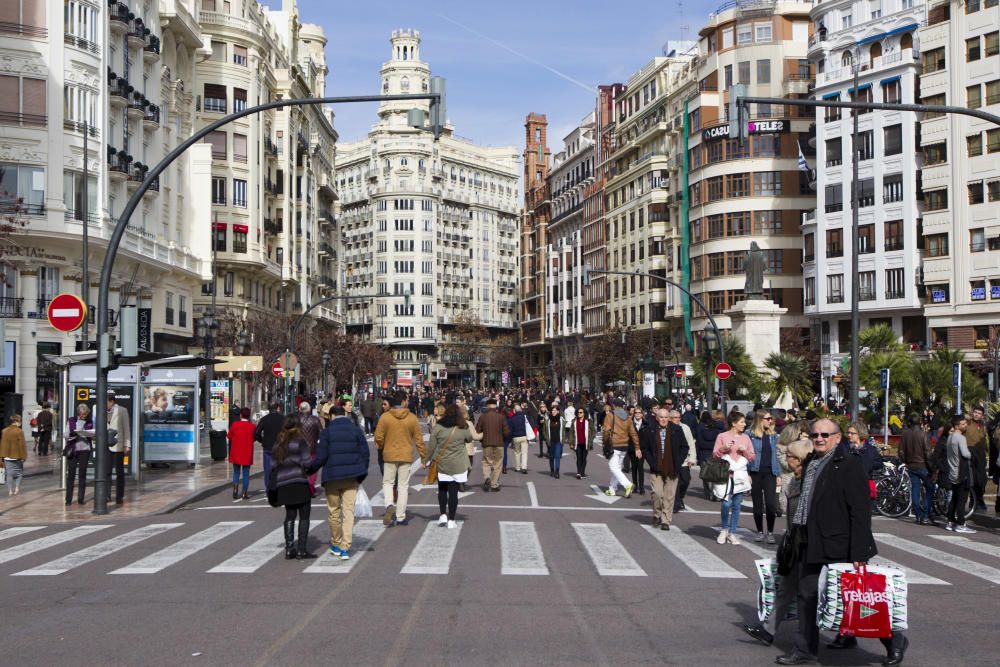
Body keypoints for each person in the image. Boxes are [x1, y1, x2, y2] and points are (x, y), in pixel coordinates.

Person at [775, 418, 906, 666]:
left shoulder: (849, 465)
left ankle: (893, 639)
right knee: (807, 595)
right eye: (815, 435)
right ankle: (805, 650)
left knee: (854, 598)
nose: (819, 438)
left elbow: (860, 510)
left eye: (825, 434)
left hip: (838, 542)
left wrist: (859, 550)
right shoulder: (812, 461)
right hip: (809, 539)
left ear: (837, 437)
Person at [743, 438, 813, 647]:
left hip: (809, 545)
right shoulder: (795, 478)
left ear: (799, 460)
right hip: (794, 543)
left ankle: (887, 637)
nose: (785, 459)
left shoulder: (809, 481)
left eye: (789, 456)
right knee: (786, 589)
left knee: (815, 594)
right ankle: (768, 630)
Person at [311, 405, 370, 559]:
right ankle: (346, 546)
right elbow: (365, 453)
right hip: (351, 477)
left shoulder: (327, 432)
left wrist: (309, 470)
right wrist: (361, 474)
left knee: (334, 511)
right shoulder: (356, 430)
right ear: (344, 414)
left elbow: (321, 457)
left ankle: (336, 542)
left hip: (332, 476)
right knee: (348, 512)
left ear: (331, 416)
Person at [374, 391, 425, 526]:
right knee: (403, 485)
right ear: (403, 401)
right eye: (406, 399)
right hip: (406, 455)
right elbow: (419, 439)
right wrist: (423, 457)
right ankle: (401, 516)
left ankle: (389, 504)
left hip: (389, 454)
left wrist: (380, 445)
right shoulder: (412, 418)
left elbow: (378, 436)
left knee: (388, 482)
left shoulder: (385, 417)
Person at [271, 415, 316, 559]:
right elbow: (307, 462)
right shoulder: (300, 441)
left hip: (284, 482)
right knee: (304, 515)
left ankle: (289, 548)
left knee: (290, 514)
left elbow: (273, 465)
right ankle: (302, 549)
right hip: (298, 480)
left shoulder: (279, 441)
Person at [424, 404, 474, 528]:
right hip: (458, 464)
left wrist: (426, 460)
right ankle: (451, 519)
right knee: (453, 492)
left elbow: (431, 445)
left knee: (442, 489)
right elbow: (469, 438)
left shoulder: (439, 427)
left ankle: (442, 514)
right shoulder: (463, 427)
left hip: (442, 463)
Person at [712, 411, 755, 545]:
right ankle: (724, 529)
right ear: (733, 423)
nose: (744, 424)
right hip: (726, 474)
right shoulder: (722, 436)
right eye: (741, 422)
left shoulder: (746, 438)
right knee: (726, 503)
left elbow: (752, 457)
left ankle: (733, 532)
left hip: (741, 475)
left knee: (737, 505)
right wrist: (723, 448)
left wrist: (745, 451)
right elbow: (715, 455)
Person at [641, 408, 687, 530]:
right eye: (661, 417)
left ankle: (666, 520)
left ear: (669, 418)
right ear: (657, 418)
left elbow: (685, 447)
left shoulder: (676, 430)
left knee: (669, 496)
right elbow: (644, 447)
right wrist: (651, 462)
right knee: (657, 493)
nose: (664, 420)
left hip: (672, 468)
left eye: (666, 417)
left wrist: (679, 462)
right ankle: (657, 514)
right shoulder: (650, 429)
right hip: (656, 468)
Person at [748, 409, 780, 544]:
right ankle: (760, 531)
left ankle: (770, 532)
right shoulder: (750, 435)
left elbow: (777, 456)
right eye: (768, 419)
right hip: (755, 473)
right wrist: (747, 473)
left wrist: (778, 474)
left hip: (770, 473)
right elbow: (746, 455)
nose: (770, 421)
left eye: (771, 419)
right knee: (757, 505)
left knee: (771, 504)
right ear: (760, 420)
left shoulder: (774, 436)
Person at [898, 413, 935, 525]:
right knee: (930, 489)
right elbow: (928, 454)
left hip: (911, 465)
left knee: (915, 489)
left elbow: (901, 452)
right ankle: (926, 513)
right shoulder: (924, 435)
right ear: (920, 423)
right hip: (923, 465)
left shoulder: (905, 435)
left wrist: (906, 461)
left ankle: (918, 514)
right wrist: (932, 469)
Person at [602, 399, 641, 497]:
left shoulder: (610, 415)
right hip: (624, 445)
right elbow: (633, 433)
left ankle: (627, 484)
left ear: (614, 405)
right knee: (618, 467)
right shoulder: (628, 417)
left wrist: (605, 442)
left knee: (613, 467)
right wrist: (637, 447)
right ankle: (612, 488)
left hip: (614, 444)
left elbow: (606, 431)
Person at [944, 414, 975, 534]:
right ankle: (961, 524)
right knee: (962, 499)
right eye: (963, 424)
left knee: (955, 498)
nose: (965, 425)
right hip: (961, 472)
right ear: (956, 426)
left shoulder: (950, 437)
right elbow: (966, 454)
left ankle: (950, 521)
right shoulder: (961, 438)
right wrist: (971, 454)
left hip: (952, 471)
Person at [475, 398, 510, 491]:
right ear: (496, 405)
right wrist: (504, 439)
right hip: (499, 443)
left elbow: (477, 430)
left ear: (487, 406)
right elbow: (506, 432)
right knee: (497, 464)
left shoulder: (483, 417)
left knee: (486, 462)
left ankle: (487, 477)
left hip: (486, 443)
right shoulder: (501, 416)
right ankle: (494, 485)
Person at [64, 403, 94, 506]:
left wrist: (90, 435)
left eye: (85, 414)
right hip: (73, 450)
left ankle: (81, 498)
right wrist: (72, 435)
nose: (84, 416)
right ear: (78, 413)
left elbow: (93, 435)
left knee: (82, 474)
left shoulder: (90, 422)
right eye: (82, 414)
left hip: (85, 450)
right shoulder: (71, 420)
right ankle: (68, 499)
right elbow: (65, 434)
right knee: (71, 475)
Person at [669, 409, 698, 511]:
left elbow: (691, 444)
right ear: (670, 418)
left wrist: (692, 458)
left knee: (685, 480)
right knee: (674, 482)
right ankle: (676, 503)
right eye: (674, 418)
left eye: (678, 417)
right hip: (672, 461)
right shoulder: (667, 428)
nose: (677, 419)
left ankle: (680, 497)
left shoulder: (685, 428)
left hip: (684, 460)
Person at [105, 393, 131, 505]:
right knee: (106, 472)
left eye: (106, 402)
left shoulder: (122, 410)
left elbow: (126, 428)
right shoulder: (100, 410)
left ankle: (119, 496)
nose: (104, 404)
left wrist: (127, 444)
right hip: (105, 445)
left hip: (118, 445)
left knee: (119, 472)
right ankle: (106, 495)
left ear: (111, 402)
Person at [254, 403, 284, 492]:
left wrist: (262, 440)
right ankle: (278, 487)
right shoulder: (282, 419)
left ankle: (269, 489)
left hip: (268, 447)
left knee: (267, 470)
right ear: (277, 408)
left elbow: (256, 433)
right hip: (279, 446)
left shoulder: (264, 419)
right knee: (279, 468)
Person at [696, 410, 725, 500]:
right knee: (714, 475)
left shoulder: (701, 432)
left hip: (703, 454)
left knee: (705, 475)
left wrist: (697, 456)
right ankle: (715, 494)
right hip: (714, 455)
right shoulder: (718, 434)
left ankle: (707, 493)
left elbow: (698, 444)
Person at [228, 407, 255, 501]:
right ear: (249, 416)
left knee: (236, 472)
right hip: (247, 452)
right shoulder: (252, 426)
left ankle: (235, 489)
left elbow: (229, 436)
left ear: (240, 415)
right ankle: (244, 492)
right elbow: (254, 437)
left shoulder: (235, 424)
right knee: (246, 473)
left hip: (236, 451)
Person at [964, 406, 988, 510]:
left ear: (982, 415)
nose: (976, 414)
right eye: (975, 412)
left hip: (981, 455)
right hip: (970, 453)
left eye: (979, 413)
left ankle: (980, 498)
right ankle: (973, 501)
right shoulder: (968, 423)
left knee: (982, 479)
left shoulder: (983, 425)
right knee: (972, 478)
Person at [298, 401, 323, 498]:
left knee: (300, 469)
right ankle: (310, 488)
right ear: (309, 410)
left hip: (299, 448)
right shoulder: (315, 420)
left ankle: (302, 488)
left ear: (300, 409)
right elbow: (321, 433)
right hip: (312, 448)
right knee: (313, 470)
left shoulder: (296, 420)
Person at [1, 414, 27, 496]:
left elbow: (2, 444)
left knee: (9, 474)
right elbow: (22, 445)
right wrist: (24, 456)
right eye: (20, 421)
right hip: (17, 455)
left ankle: (10, 491)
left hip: (7, 456)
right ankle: (16, 488)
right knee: (19, 474)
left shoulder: (4, 431)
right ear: (16, 421)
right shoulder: (19, 431)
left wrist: (2, 456)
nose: (21, 423)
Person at [540, 404, 565, 479]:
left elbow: (563, 430)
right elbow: (544, 430)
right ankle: (552, 470)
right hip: (550, 441)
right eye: (552, 410)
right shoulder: (548, 419)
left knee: (557, 456)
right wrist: (546, 437)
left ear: (558, 411)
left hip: (558, 441)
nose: (554, 411)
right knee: (551, 456)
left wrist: (563, 439)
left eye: (555, 410)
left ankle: (557, 472)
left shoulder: (561, 419)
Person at [570, 406, 595, 479]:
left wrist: (591, 438)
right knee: (578, 457)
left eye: (581, 412)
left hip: (586, 443)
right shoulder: (574, 421)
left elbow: (593, 431)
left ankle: (582, 471)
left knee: (584, 458)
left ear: (584, 413)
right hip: (577, 443)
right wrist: (571, 442)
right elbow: (571, 432)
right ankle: (578, 472)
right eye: (578, 412)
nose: (579, 414)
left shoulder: (588, 421)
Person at [629, 405, 648, 495]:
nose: (637, 414)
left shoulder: (646, 423)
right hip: (632, 448)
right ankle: (635, 486)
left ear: (642, 414)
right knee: (634, 467)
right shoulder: (630, 423)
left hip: (642, 449)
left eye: (639, 413)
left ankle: (641, 487)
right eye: (635, 412)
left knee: (640, 466)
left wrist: (643, 448)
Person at [506, 403, 529, 474]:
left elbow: (510, 430)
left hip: (515, 437)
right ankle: (524, 467)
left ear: (514, 411)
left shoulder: (512, 419)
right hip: (524, 436)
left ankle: (517, 467)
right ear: (520, 410)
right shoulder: (525, 417)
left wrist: (509, 440)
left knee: (517, 452)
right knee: (524, 453)